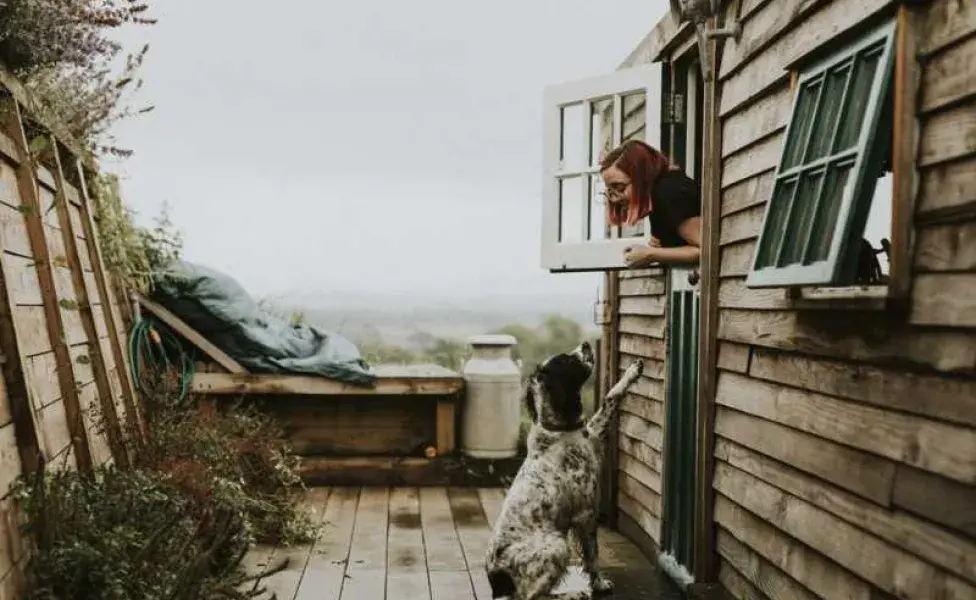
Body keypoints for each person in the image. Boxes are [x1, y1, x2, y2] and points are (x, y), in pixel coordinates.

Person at [599, 139, 702, 268]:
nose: (614, 198)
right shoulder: (658, 195)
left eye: (619, 187)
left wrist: (651, 254)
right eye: (610, 190)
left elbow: (706, 248)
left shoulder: (669, 194)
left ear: (642, 178)